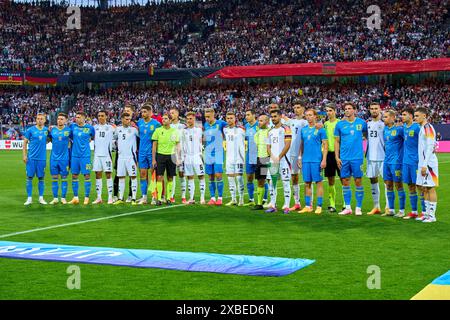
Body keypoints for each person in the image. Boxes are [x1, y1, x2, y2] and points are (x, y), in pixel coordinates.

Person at [334, 102, 367, 216]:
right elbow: (336, 141)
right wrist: (337, 157)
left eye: (349, 108)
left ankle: (358, 207)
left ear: (355, 110)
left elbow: (367, 136)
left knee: (358, 181)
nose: (347, 110)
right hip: (344, 158)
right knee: (345, 181)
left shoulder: (362, 123)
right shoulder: (340, 125)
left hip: (357, 158)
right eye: (345, 109)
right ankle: (348, 207)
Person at [298, 109, 328, 214]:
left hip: (316, 160)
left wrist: (324, 159)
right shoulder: (304, 130)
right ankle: (308, 206)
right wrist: (300, 158)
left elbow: (325, 145)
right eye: (306, 115)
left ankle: (319, 206)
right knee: (307, 183)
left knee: (318, 183)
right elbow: (302, 144)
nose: (308, 117)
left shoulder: (321, 129)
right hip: (306, 160)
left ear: (315, 116)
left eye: (310, 115)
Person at [414, 107, 439, 223]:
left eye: (417, 116)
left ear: (424, 116)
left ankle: (432, 216)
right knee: (424, 188)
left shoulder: (428, 128)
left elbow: (430, 147)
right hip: (423, 163)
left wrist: (425, 164)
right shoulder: (422, 128)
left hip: (429, 164)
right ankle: (427, 214)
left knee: (430, 188)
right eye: (415, 116)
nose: (415, 118)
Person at [266, 109, 292, 214]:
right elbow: (268, 147)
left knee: (286, 182)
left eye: (275, 116)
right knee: (272, 183)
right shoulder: (270, 131)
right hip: (273, 161)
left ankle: (286, 206)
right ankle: (273, 204)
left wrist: (279, 157)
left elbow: (288, 145)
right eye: (272, 117)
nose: (273, 118)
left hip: (284, 160)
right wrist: (272, 157)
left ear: (280, 116)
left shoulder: (286, 129)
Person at [152, 113, 181, 206]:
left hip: (171, 156)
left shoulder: (175, 131)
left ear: (170, 120)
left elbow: (177, 145)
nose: (163, 120)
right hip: (160, 156)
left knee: (170, 177)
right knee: (159, 177)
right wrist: (153, 159)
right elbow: (154, 146)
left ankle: (169, 198)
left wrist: (178, 158)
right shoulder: (157, 130)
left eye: (166, 118)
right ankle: (159, 198)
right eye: (163, 118)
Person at [382, 109, 405, 217]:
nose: (384, 118)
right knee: (388, 185)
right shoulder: (385, 129)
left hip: (396, 163)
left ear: (392, 118)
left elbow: (408, 142)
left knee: (398, 185)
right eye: (384, 117)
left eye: (386, 117)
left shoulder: (400, 130)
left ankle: (402, 210)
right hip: (386, 162)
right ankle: (391, 209)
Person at [68, 111, 95, 205]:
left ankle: (86, 198)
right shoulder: (73, 127)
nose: (77, 118)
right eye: (76, 117)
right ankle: (76, 197)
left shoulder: (90, 128)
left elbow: (93, 137)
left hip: (86, 156)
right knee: (74, 175)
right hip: (74, 156)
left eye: (79, 117)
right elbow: (70, 137)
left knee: (87, 175)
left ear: (84, 118)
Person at [136, 103, 161, 204]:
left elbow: (159, 138)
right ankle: (144, 197)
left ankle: (154, 196)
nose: (143, 113)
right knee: (142, 174)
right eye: (142, 112)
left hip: (152, 153)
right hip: (141, 152)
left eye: (145, 112)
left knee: (153, 174)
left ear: (150, 113)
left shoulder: (156, 124)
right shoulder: (139, 123)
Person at [23, 113, 49, 205]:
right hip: (31, 158)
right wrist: (24, 155)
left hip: (42, 159)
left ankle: (41, 198)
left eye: (41, 119)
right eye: (38, 118)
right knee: (29, 177)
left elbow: (49, 139)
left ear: (45, 120)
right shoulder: (30, 130)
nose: (39, 120)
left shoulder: (47, 130)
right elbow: (25, 142)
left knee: (41, 178)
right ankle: (29, 198)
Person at [365, 102, 387, 215]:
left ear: (380, 109)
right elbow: (365, 136)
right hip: (370, 157)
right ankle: (376, 206)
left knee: (387, 182)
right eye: (372, 108)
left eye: (376, 108)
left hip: (383, 157)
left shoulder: (384, 124)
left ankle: (388, 207)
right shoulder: (367, 124)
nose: (374, 110)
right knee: (373, 180)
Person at [113, 113, 139, 205]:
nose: (129, 121)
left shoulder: (134, 130)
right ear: (122, 119)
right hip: (121, 157)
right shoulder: (118, 130)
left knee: (133, 176)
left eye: (129, 119)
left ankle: (134, 199)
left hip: (131, 157)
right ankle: (120, 198)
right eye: (127, 119)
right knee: (121, 177)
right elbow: (114, 139)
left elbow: (141, 139)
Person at [401, 107, 422, 220]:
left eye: (404, 114)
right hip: (406, 161)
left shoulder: (417, 128)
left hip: (415, 162)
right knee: (410, 186)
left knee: (419, 186)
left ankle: (424, 212)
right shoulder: (404, 127)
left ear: (410, 115)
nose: (402, 117)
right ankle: (414, 211)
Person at [287, 101, 308, 211]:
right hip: (293, 153)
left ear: (303, 108)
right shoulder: (291, 122)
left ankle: (308, 204)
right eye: (294, 107)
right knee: (294, 177)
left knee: (307, 179)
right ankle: (297, 203)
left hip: (305, 154)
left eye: (298, 107)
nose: (296, 109)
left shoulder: (306, 122)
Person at [203, 108, 227, 206]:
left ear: (214, 114)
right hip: (208, 153)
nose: (207, 119)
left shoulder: (221, 123)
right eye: (206, 117)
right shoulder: (206, 125)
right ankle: (212, 198)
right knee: (210, 176)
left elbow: (230, 127)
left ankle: (220, 198)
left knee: (218, 175)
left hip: (218, 153)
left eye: (209, 117)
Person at [181, 111, 206, 204]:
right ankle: (191, 198)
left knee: (201, 176)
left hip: (197, 156)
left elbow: (204, 140)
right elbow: (182, 144)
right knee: (190, 177)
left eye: (191, 118)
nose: (189, 120)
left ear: (194, 119)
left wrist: (202, 151)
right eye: (187, 119)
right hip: (187, 157)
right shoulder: (184, 131)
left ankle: (202, 198)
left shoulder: (199, 130)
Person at [92, 110, 116, 204]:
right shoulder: (94, 128)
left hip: (107, 155)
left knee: (108, 175)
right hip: (97, 155)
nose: (100, 117)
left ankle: (110, 197)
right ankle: (99, 197)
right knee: (97, 175)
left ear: (106, 117)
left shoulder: (111, 127)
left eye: (102, 115)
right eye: (99, 116)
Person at [48, 112, 71, 205]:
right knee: (54, 178)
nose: (59, 120)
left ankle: (63, 198)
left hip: (64, 159)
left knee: (64, 178)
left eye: (61, 119)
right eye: (58, 119)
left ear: (66, 120)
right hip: (53, 158)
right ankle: (55, 198)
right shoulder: (52, 130)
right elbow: (47, 140)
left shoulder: (69, 130)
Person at [224, 112, 246, 206]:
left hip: (239, 158)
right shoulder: (225, 130)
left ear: (235, 119)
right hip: (229, 158)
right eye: (228, 118)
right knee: (230, 179)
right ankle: (233, 199)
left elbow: (244, 142)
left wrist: (243, 157)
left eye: (231, 118)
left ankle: (241, 198)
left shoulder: (241, 130)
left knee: (239, 178)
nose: (229, 120)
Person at [323, 104, 340, 212]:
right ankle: (332, 204)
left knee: (344, 179)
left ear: (335, 111)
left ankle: (345, 204)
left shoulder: (340, 123)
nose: (329, 113)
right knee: (330, 179)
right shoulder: (325, 124)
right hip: (328, 154)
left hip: (339, 154)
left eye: (330, 110)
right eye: (327, 111)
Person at [252, 114, 271, 211]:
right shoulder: (257, 133)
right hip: (260, 159)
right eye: (258, 120)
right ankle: (259, 204)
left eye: (261, 120)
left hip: (267, 159)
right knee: (260, 180)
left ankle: (272, 202)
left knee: (270, 180)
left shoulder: (270, 131)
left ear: (267, 122)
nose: (259, 122)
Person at [243, 109, 261, 206]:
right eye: (246, 115)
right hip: (249, 155)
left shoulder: (259, 125)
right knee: (249, 178)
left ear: (254, 115)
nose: (246, 116)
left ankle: (264, 199)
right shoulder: (246, 126)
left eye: (248, 114)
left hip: (260, 155)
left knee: (261, 179)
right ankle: (251, 199)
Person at [170, 107, 187, 203]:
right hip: (171, 154)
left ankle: (183, 196)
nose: (171, 115)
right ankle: (171, 196)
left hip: (181, 155)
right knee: (172, 175)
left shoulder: (183, 126)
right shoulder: (168, 126)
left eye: (172, 113)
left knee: (181, 174)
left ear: (177, 114)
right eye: (170, 113)